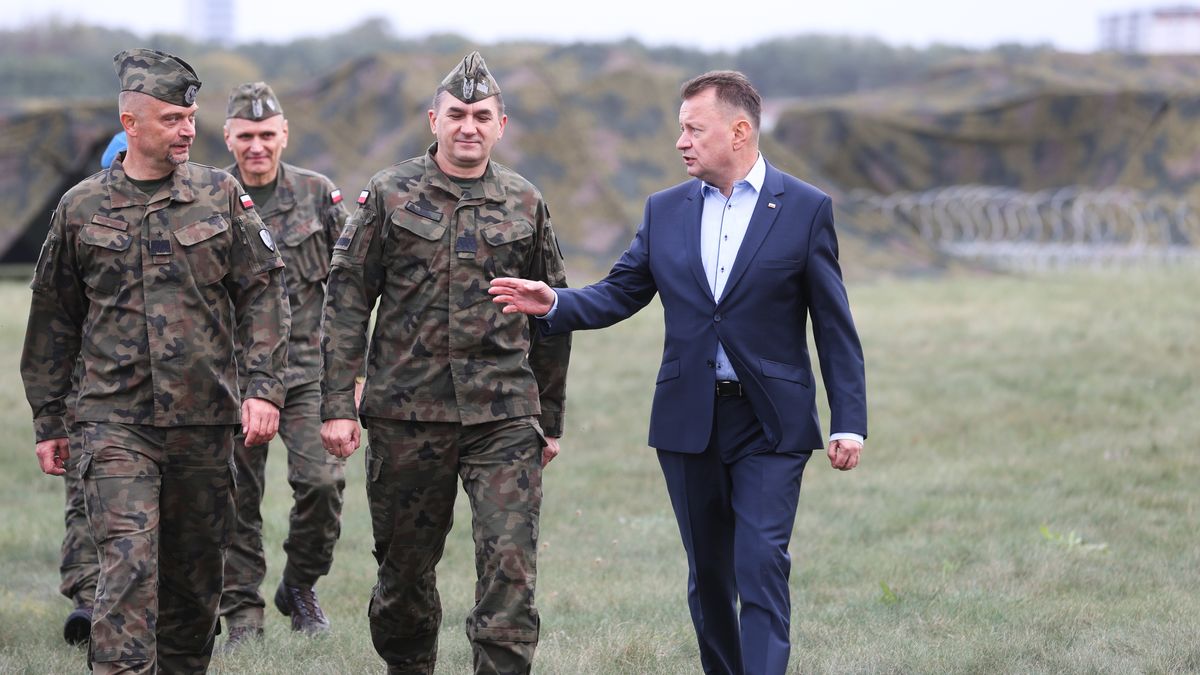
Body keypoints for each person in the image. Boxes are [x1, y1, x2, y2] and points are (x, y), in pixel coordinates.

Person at [489, 70, 868, 675]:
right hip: (689, 419)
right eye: (680, 129)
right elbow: (620, 292)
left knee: (761, 563)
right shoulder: (664, 210)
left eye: (694, 129)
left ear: (739, 131)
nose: (681, 141)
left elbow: (833, 324)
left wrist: (849, 421)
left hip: (771, 423)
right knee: (711, 574)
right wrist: (556, 303)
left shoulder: (805, 209)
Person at [22, 48, 290, 674]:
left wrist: (264, 388)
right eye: (172, 118)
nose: (188, 130)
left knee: (195, 581)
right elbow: (52, 318)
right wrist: (49, 420)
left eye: (191, 117)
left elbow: (264, 292)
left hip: (204, 421)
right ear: (131, 123)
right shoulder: (81, 208)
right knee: (128, 562)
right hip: (111, 422)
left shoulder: (221, 196)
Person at [319, 51, 571, 674]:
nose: (468, 127)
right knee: (404, 577)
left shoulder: (525, 201)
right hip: (407, 415)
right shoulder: (388, 193)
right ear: (433, 119)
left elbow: (553, 311)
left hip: (503, 413)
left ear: (501, 124)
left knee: (510, 569)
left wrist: (550, 417)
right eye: (456, 115)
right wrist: (336, 403)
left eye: (481, 116)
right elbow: (348, 296)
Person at [218, 81, 349, 648]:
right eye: (245, 136)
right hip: (233, 379)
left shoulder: (318, 195)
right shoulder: (207, 196)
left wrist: (354, 373)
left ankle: (299, 585)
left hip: (306, 376)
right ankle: (242, 615)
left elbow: (353, 282)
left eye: (267, 135)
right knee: (233, 498)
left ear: (284, 135)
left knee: (322, 483)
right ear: (227, 137)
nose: (256, 146)